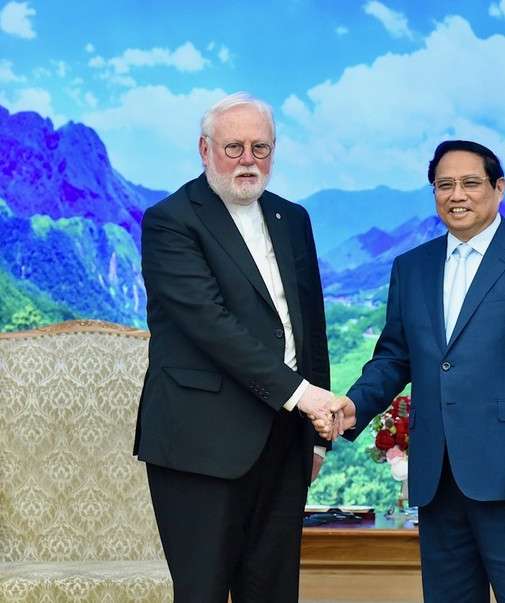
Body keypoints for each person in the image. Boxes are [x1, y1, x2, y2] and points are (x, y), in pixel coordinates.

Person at [326, 140, 505, 602]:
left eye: (470, 183)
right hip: (438, 478)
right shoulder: (412, 266)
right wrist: (353, 405)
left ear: (499, 188)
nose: (456, 194)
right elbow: (394, 356)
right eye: (444, 185)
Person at [134, 91, 337, 603]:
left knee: (273, 594)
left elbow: (309, 325)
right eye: (234, 147)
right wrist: (303, 395)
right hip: (200, 443)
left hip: (285, 441)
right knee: (202, 593)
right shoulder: (170, 221)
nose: (248, 160)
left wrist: (317, 437)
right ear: (205, 150)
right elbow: (210, 324)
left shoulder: (295, 218)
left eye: (261, 148)